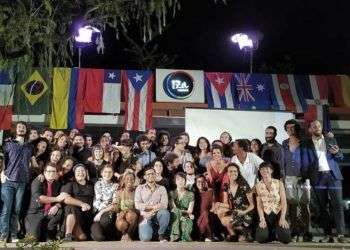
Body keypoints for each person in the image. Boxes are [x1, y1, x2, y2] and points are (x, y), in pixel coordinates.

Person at [302, 120, 348, 243]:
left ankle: (341, 234)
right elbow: (305, 163)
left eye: (318, 125)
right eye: (313, 126)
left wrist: (337, 152)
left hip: (333, 177)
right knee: (322, 207)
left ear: (321, 127)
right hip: (317, 178)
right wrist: (307, 179)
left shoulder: (330, 140)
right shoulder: (306, 144)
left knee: (338, 205)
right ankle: (328, 235)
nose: (316, 127)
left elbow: (340, 157)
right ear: (310, 129)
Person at [1, 121, 33, 242]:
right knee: (6, 209)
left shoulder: (30, 146)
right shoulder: (8, 143)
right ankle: (3, 235)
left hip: (22, 181)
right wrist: (2, 172)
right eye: (19, 127)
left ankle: (13, 234)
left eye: (23, 127)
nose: (21, 129)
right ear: (15, 130)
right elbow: (2, 159)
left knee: (17, 209)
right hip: (8, 180)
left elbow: (33, 162)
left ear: (26, 130)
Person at [282, 119, 312, 242]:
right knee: (292, 205)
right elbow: (283, 160)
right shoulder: (284, 143)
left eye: (292, 127)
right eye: (288, 128)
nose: (290, 130)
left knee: (305, 204)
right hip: (289, 177)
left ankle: (307, 232)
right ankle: (294, 230)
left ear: (297, 128)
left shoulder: (306, 142)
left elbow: (311, 159)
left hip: (303, 177)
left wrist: (308, 174)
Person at [25, 164, 67, 241]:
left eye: (54, 171)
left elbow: (62, 199)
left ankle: (49, 234)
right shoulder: (38, 181)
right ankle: (41, 233)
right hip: (36, 213)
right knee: (33, 239)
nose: (51, 173)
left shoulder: (57, 184)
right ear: (44, 172)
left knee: (60, 211)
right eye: (49, 171)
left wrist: (57, 205)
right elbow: (40, 198)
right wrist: (57, 199)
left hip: (49, 212)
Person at [255, 162, 291, 244]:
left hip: (278, 211)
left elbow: (284, 202)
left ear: (271, 171)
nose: (264, 171)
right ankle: (270, 233)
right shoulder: (258, 185)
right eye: (262, 170)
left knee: (286, 239)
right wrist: (262, 218)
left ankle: (278, 232)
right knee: (260, 238)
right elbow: (259, 204)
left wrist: (283, 217)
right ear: (260, 172)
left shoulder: (279, 183)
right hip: (266, 213)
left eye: (267, 169)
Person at [217, 163, 254, 242]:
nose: (233, 173)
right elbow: (226, 204)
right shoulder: (226, 186)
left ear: (238, 172)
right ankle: (234, 234)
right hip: (236, 210)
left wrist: (244, 212)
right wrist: (218, 205)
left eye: (235, 171)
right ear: (227, 173)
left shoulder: (243, 184)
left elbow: (252, 205)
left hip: (246, 211)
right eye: (230, 171)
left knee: (230, 222)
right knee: (220, 211)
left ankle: (245, 232)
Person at [135, 166, 170, 242]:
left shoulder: (162, 188)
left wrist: (151, 211)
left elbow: (164, 205)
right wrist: (153, 207)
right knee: (145, 238)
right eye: (148, 174)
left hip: (157, 215)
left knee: (165, 213)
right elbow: (137, 205)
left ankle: (161, 234)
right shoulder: (139, 188)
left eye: (153, 174)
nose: (151, 175)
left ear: (156, 175)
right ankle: (153, 231)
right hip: (145, 216)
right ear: (144, 177)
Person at [61, 164, 95, 241]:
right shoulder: (70, 183)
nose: (81, 173)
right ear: (74, 173)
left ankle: (75, 232)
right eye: (78, 171)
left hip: (87, 214)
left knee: (83, 238)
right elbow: (66, 199)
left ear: (86, 172)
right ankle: (68, 234)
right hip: (75, 211)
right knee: (71, 207)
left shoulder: (91, 184)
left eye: (82, 170)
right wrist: (82, 204)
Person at [90, 165, 118, 241]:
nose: (107, 174)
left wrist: (101, 212)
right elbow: (98, 201)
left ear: (113, 174)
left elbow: (114, 204)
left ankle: (110, 234)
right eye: (105, 172)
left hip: (107, 212)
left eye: (110, 172)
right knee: (99, 237)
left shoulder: (115, 186)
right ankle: (100, 234)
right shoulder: (98, 184)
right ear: (101, 173)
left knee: (105, 221)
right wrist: (97, 213)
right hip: (96, 213)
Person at [169, 172, 195, 242]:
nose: (180, 181)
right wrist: (181, 215)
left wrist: (184, 215)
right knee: (176, 211)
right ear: (175, 181)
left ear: (185, 181)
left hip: (185, 216)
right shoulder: (171, 193)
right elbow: (173, 209)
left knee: (186, 226)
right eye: (178, 179)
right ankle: (175, 235)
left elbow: (190, 210)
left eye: (182, 179)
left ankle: (181, 236)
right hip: (174, 217)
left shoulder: (191, 194)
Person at [113, 172, 139, 241]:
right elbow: (116, 209)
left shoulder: (137, 191)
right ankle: (124, 234)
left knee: (131, 215)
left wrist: (126, 211)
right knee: (121, 223)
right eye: (127, 179)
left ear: (134, 180)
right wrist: (116, 207)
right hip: (122, 216)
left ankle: (128, 235)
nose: (129, 180)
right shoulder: (119, 192)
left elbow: (139, 207)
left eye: (132, 179)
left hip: (134, 216)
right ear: (124, 180)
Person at [193, 175, 215, 241]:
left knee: (206, 213)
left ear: (205, 182)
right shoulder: (193, 194)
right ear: (195, 183)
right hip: (197, 220)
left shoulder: (210, 192)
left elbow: (214, 208)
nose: (201, 183)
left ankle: (208, 235)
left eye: (203, 181)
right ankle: (206, 235)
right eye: (198, 182)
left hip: (209, 218)